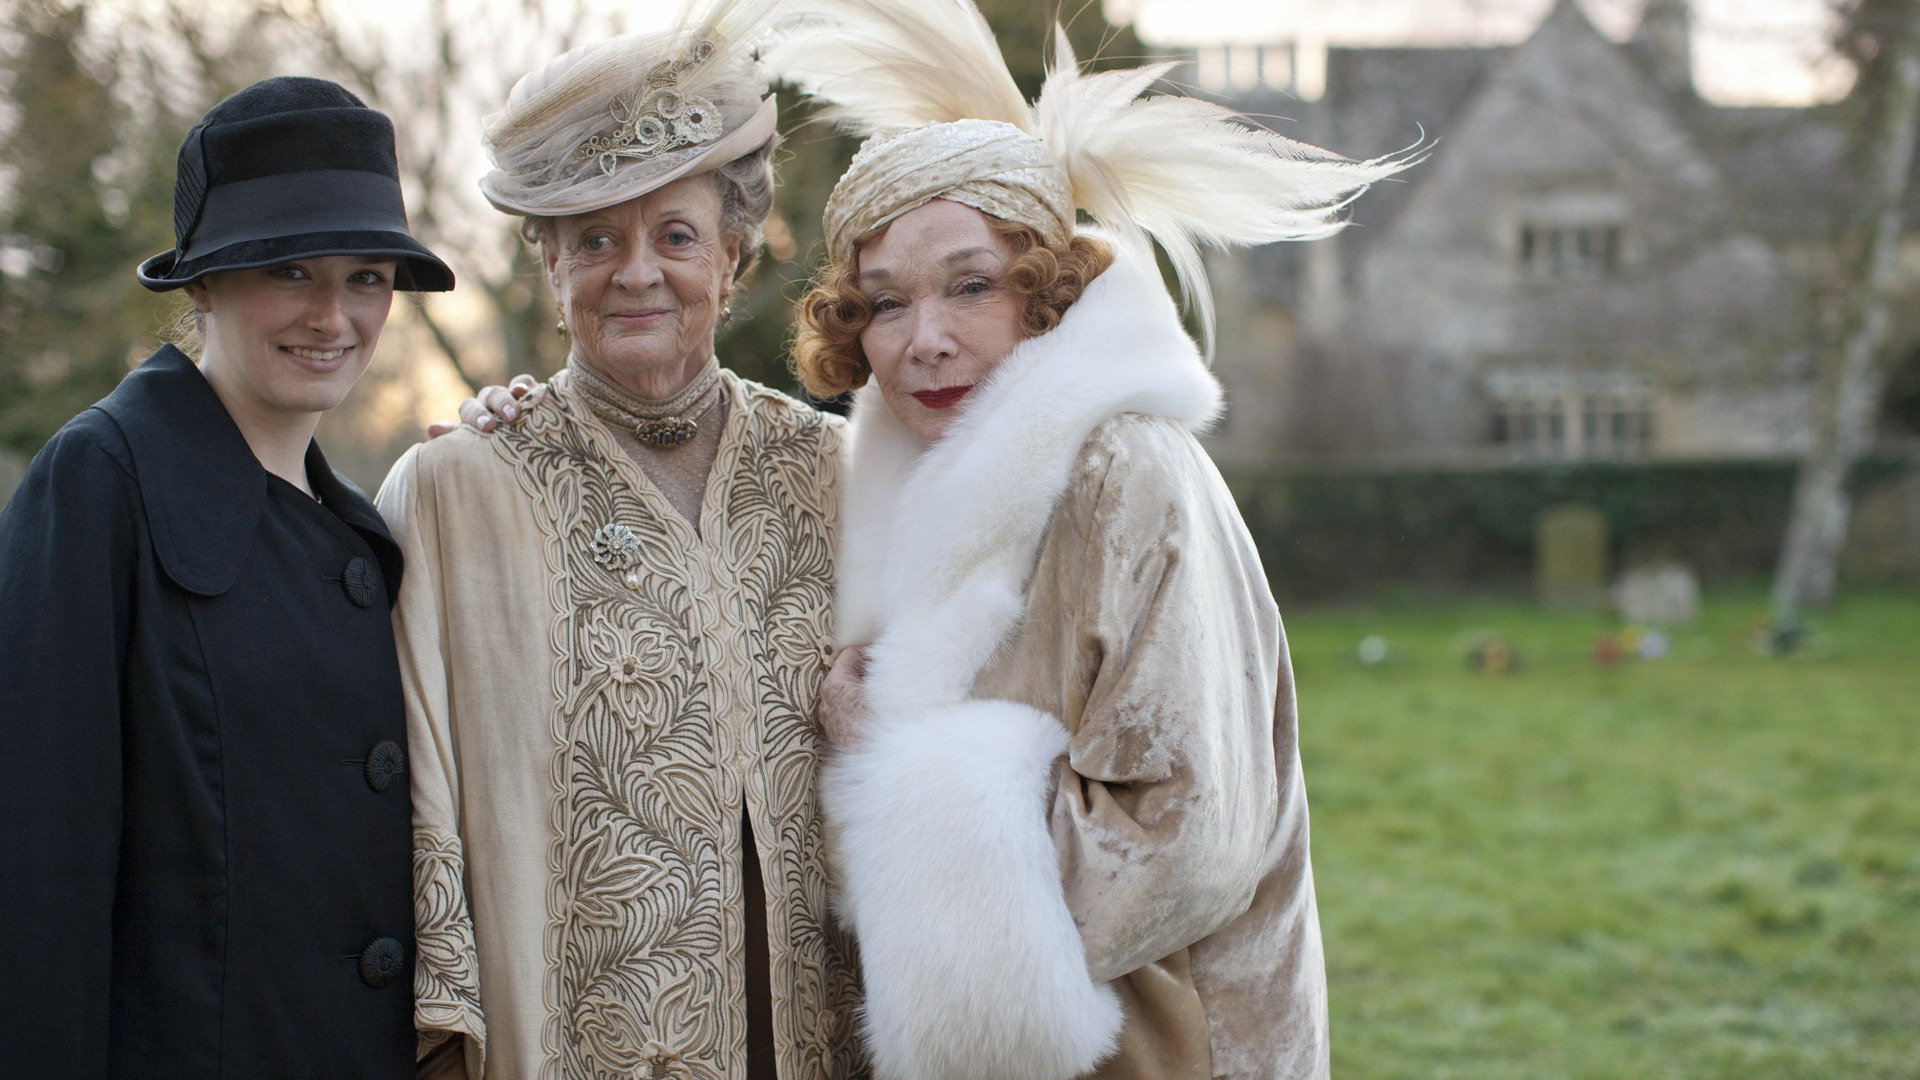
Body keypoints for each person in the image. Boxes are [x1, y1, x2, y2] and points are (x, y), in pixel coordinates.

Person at [760, 1, 1414, 1077]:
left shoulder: (1125, 470)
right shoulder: (895, 485)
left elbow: (1180, 843)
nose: (925, 339)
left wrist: (893, 764)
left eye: (971, 286)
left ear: (1048, 295)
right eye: (884, 304)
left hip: (1164, 1047)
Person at [376, 5, 863, 1078]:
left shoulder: (836, 476)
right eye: (595, 238)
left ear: (734, 259)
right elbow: (419, 812)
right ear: (549, 264)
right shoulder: (458, 492)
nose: (637, 271)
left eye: (676, 236)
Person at [0, 77, 454, 1079]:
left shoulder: (359, 526)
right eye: (288, 270)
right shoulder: (102, 482)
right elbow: (36, 880)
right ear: (200, 284)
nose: (334, 316)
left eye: (367, 276)